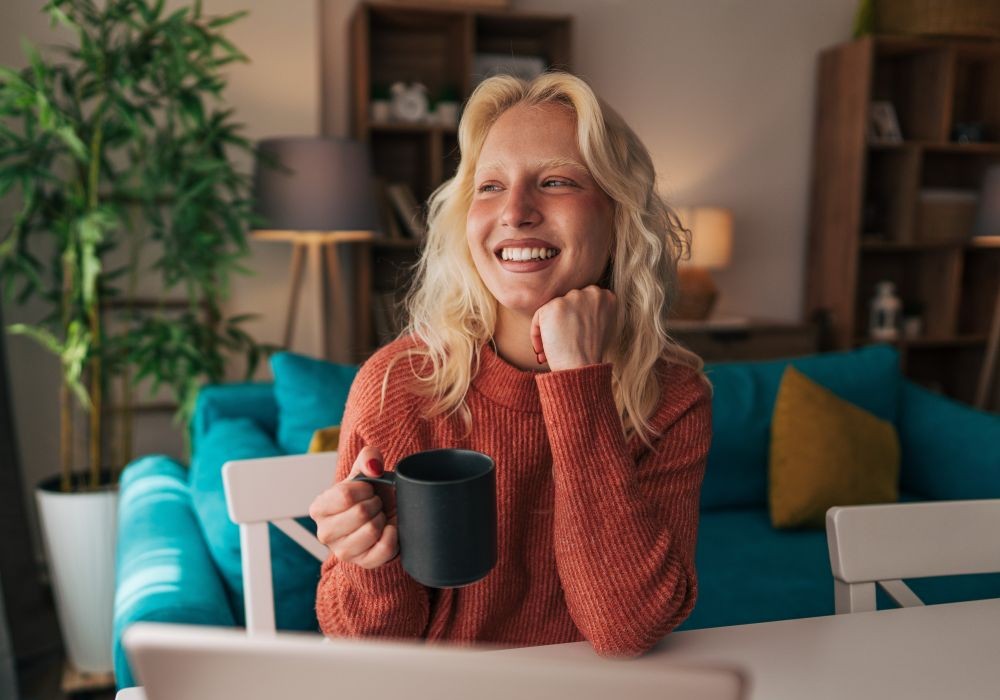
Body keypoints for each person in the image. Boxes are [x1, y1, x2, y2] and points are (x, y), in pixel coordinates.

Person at [308, 71, 711, 657]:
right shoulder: (399, 384)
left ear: (618, 214)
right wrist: (369, 558)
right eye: (491, 186)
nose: (515, 212)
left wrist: (578, 385)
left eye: (555, 181)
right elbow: (368, 649)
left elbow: (628, 630)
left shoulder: (672, 396)